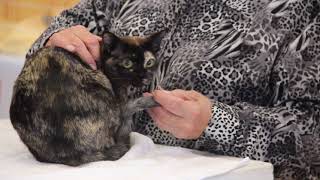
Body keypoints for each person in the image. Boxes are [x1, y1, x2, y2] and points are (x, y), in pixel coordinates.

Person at [27, 0, 320, 179]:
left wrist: (216, 122)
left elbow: (313, 128)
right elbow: (67, 27)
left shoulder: (303, 10)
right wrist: (57, 39)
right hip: (94, 168)